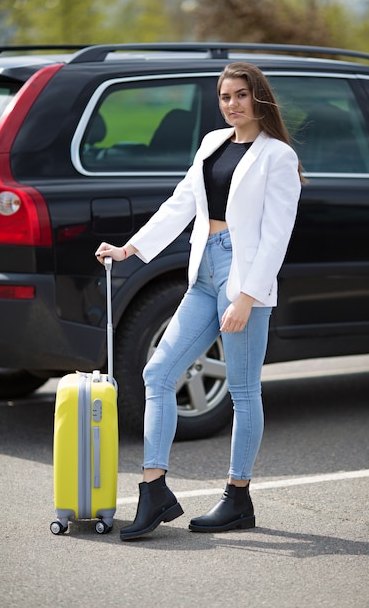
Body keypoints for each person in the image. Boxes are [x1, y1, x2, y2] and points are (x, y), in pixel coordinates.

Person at [95, 62, 303, 540]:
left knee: (244, 391)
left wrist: (247, 297)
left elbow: (276, 237)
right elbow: (181, 203)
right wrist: (131, 248)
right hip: (203, 270)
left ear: (260, 99)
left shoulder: (278, 157)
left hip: (243, 275)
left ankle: (237, 496)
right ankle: (155, 489)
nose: (232, 105)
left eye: (241, 96)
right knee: (157, 373)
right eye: (225, 97)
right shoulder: (212, 143)